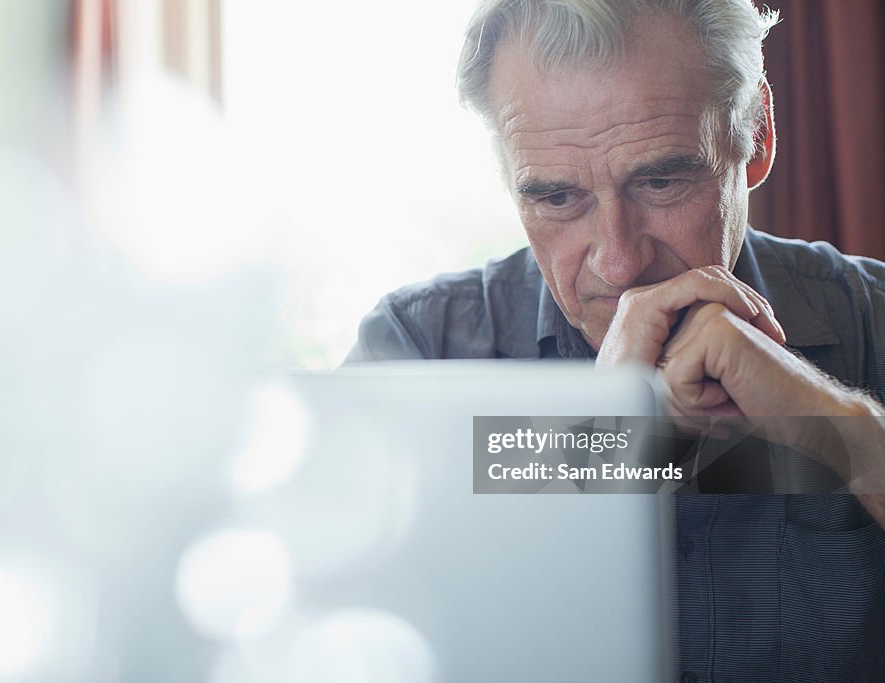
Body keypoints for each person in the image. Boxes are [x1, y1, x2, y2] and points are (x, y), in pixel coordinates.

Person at [346, 0, 885, 679]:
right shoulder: (417, 350)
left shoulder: (873, 318)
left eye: (661, 180)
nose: (620, 263)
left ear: (756, 132)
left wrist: (842, 431)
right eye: (557, 198)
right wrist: (599, 439)